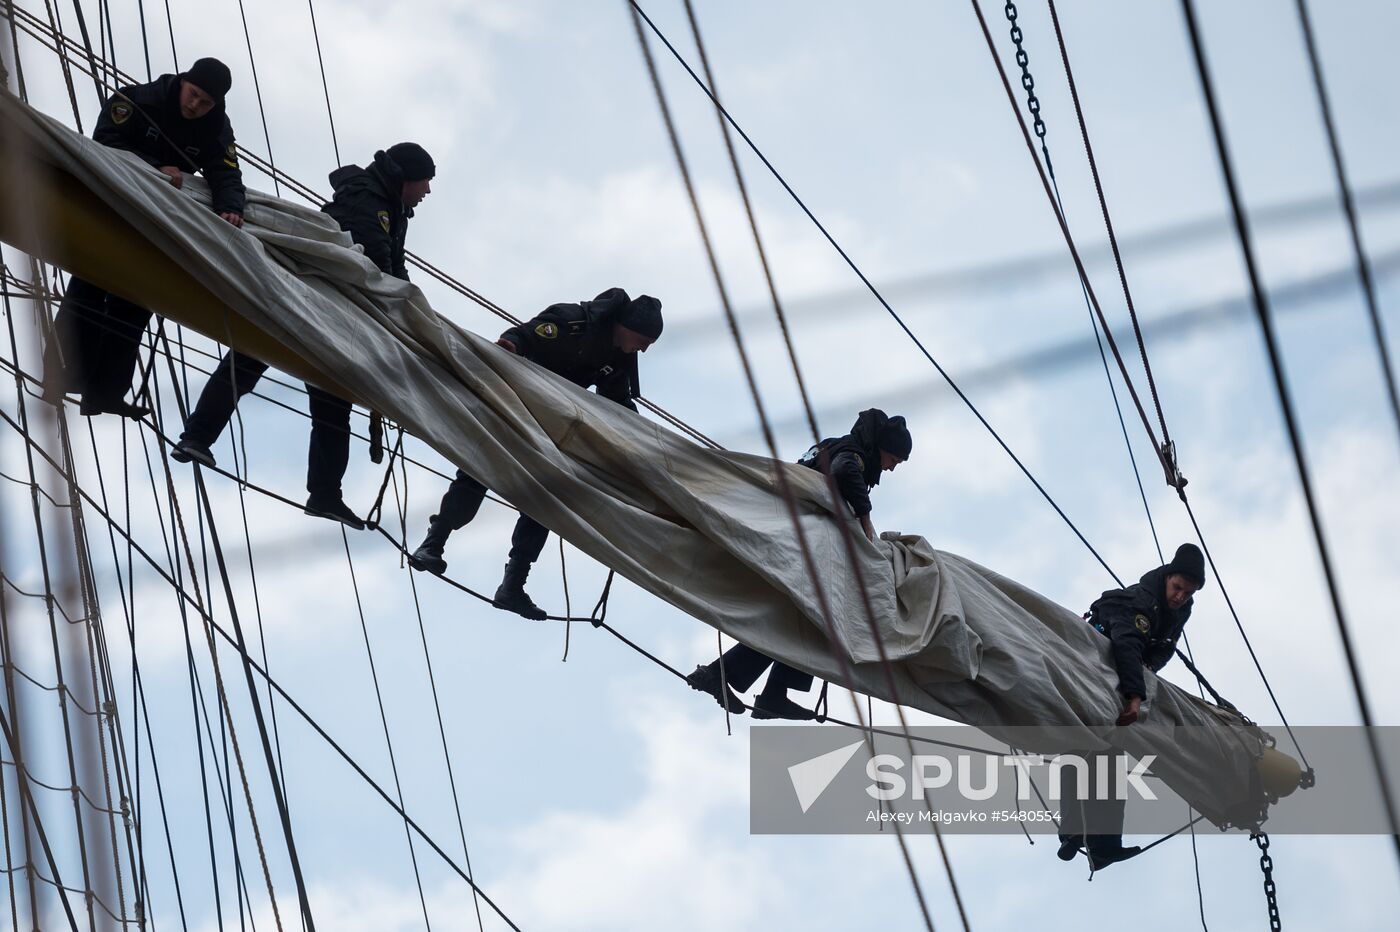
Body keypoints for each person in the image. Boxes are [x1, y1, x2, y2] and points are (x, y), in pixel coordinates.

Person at [171, 143, 436, 529]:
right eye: (425, 182)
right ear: (405, 178)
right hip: (298, 294)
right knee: (249, 363)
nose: (427, 191)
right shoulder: (368, 201)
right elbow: (379, 267)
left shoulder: (392, 209)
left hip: (327, 313)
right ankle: (197, 438)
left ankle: (324, 494)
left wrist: (413, 312)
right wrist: (406, 313)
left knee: (327, 400)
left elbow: (395, 267)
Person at [408, 287, 664, 619]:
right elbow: (524, 336)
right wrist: (511, 346)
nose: (642, 350)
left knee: (545, 502)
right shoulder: (572, 321)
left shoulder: (619, 356)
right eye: (643, 341)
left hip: (549, 430)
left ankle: (512, 585)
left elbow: (616, 402)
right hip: (512, 406)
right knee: (477, 473)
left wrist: (644, 437)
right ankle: (433, 544)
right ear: (628, 327)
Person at [43, 57, 246, 418]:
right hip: (112, 205)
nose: (195, 106)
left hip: (155, 224)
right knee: (89, 289)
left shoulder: (216, 126)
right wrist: (153, 168)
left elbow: (226, 171)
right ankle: (58, 378)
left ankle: (103, 394)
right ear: (184, 81)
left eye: (205, 103)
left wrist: (231, 208)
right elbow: (103, 143)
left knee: (136, 304)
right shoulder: (139, 99)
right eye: (194, 95)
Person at [685, 409, 913, 721]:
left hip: (792, 538)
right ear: (882, 448)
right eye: (894, 460)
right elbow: (844, 471)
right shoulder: (853, 454)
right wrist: (865, 517)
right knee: (818, 617)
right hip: (806, 544)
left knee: (801, 620)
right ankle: (741, 680)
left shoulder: (836, 445)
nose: (891, 469)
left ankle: (762, 689)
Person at [1056, 542, 1206, 871]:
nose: (1180, 596)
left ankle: (1103, 846)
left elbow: (1164, 648)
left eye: (1188, 592)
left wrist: (1148, 670)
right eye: (1177, 588)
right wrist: (1136, 695)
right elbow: (1126, 645)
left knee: (1109, 756)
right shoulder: (1143, 602)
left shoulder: (1181, 608)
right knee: (1083, 744)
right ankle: (1072, 833)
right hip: (1094, 664)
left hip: (1118, 674)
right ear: (1168, 577)